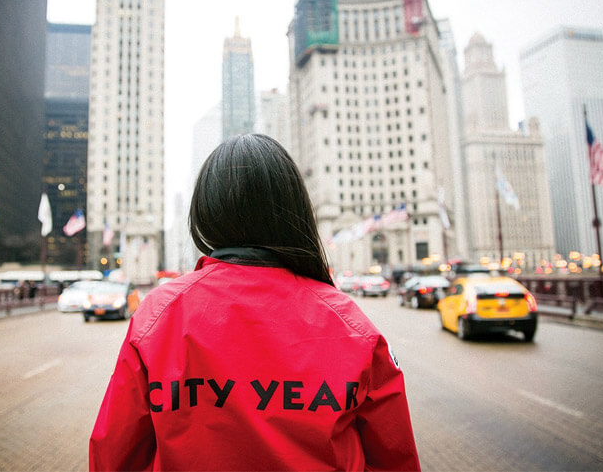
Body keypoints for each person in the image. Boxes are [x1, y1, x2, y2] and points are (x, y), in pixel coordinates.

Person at [89, 134, 420, 471]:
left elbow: (114, 457)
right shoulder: (351, 325)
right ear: (293, 209)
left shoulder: (159, 316)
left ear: (207, 211)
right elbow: (396, 459)